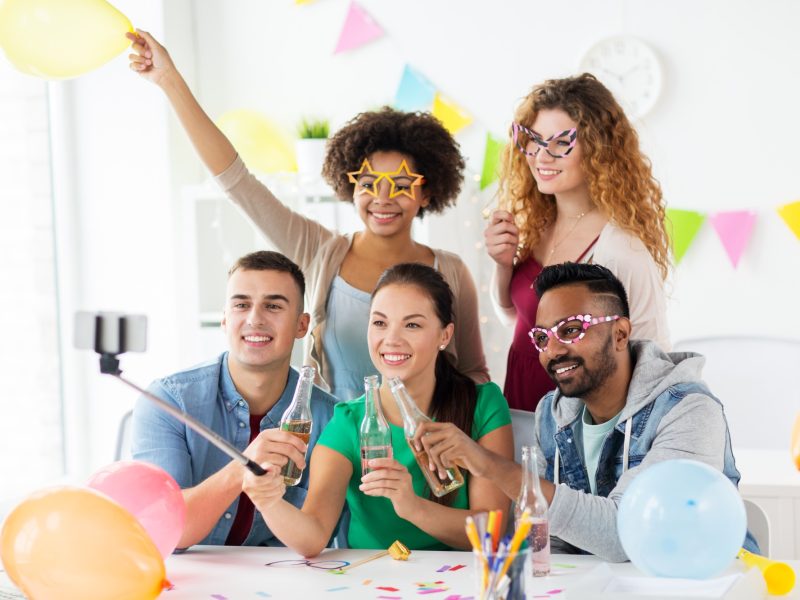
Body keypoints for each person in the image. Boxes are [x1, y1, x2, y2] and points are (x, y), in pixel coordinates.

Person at [127, 30, 489, 402]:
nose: (383, 198)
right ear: (350, 185)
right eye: (368, 183)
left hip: (425, 451)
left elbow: (473, 375)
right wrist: (169, 81)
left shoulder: (451, 272)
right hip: (334, 445)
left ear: (426, 191)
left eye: (400, 184)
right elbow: (237, 182)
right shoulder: (320, 251)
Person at [413, 263, 757, 560]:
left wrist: (489, 465)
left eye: (571, 330)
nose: (553, 350)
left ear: (620, 333)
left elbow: (628, 535)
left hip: (706, 583)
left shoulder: (687, 410)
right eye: (542, 338)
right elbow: (548, 542)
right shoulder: (552, 413)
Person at [240, 263, 513, 555]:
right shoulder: (348, 422)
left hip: (460, 583)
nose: (391, 339)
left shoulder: (482, 404)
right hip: (371, 584)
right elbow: (313, 536)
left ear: (444, 336)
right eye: (380, 323)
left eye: (412, 325)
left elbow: (491, 531)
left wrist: (413, 507)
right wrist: (268, 501)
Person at [484, 73, 670, 412]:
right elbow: (520, 320)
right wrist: (502, 266)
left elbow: (652, 361)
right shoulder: (534, 223)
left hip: (577, 420)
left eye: (560, 143)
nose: (541, 157)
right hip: (520, 405)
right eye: (532, 140)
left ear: (598, 150)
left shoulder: (620, 248)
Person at [131, 251, 338, 548]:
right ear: (225, 319)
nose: (255, 319)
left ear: (301, 326)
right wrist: (242, 468)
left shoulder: (330, 418)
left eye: (273, 306)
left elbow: (317, 539)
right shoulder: (167, 402)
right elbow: (168, 532)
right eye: (242, 305)